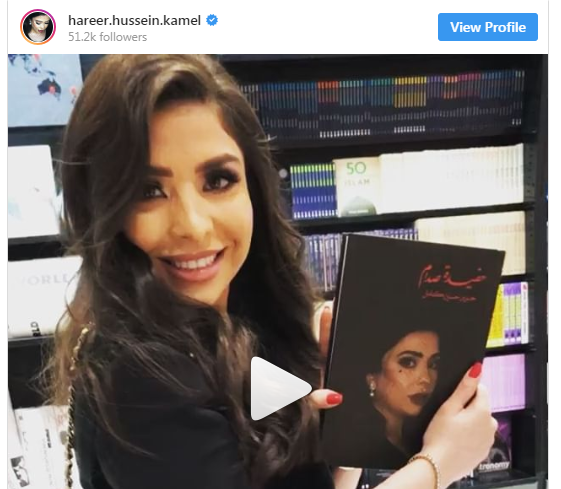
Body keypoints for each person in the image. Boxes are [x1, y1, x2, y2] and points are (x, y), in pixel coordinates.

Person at [46, 55, 497, 489]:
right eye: (149, 191)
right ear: (103, 208)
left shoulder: (238, 329)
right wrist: (436, 465)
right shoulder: (141, 379)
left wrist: (343, 438)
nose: (193, 225)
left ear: (254, 187)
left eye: (217, 180)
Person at [363, 327, 441, 468]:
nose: (426, 378)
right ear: (372, 378)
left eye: (433, 364)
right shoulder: (357, 446)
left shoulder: (421, 440)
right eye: (408, 363)